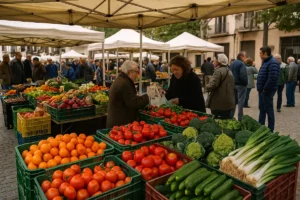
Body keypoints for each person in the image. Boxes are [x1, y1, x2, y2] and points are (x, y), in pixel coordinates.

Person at [106, 60, 149, 128]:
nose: (137, 75)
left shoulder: (121, 80)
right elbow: (133, 103)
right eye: (136, 72)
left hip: (116, 120)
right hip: (120, 124)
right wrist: (148, 96)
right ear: (129, 72)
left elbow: (128, 98)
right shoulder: (125, 84)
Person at [257, 46, 280, 132]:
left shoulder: (273, 63)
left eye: (260, 53)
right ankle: (260, 127)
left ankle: (270, 130)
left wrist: (265, 89)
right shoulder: (265, 62)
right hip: (262, 91)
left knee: (269, 110)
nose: (259, 55)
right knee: (262, 110)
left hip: (267, 91)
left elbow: (272, 78)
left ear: (265, 53)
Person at [206, 54, 235, 119]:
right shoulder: (229, 70)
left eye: (215, 61)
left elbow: (212, 85)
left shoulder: (218, 71)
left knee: (218, 121)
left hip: (219, 102)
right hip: (229, 102)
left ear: (219, 62)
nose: (213, 63)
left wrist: (207, 86)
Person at [230, 52, 248, 121]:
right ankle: (240, 118)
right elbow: (243, 75)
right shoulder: (241, 64)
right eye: (244, 56)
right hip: (241, 84)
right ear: (241, 56)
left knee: (234, 101)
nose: (245, 58)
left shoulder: (233, 63)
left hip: (233, 84)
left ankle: (231, 116)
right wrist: (245, 83)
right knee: (241, 101)